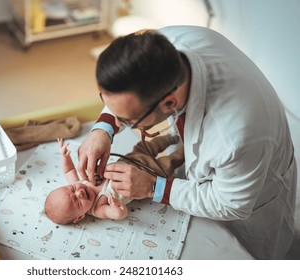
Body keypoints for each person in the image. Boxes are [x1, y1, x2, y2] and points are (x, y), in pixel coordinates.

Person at [77, 26, 297, 259]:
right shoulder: (165, 45)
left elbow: (231, 203)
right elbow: (122, 90)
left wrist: (153, 187)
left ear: (169, 103)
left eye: (128, 121)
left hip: (250, 198)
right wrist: (104, 127)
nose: (120, 122)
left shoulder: (236, 135)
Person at [45, 135, 182, 225]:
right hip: (147, 176)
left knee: (146, 146)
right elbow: (117, 214)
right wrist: (119, 208)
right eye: (77, 202)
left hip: (129, 160)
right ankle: (185, 150)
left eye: (72, 190)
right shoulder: (98, 208)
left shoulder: (77, 183)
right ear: (80, 217)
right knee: (169, 163)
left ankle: (171, 138)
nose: (78, 193)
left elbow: (68, 170)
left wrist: (65, 156)